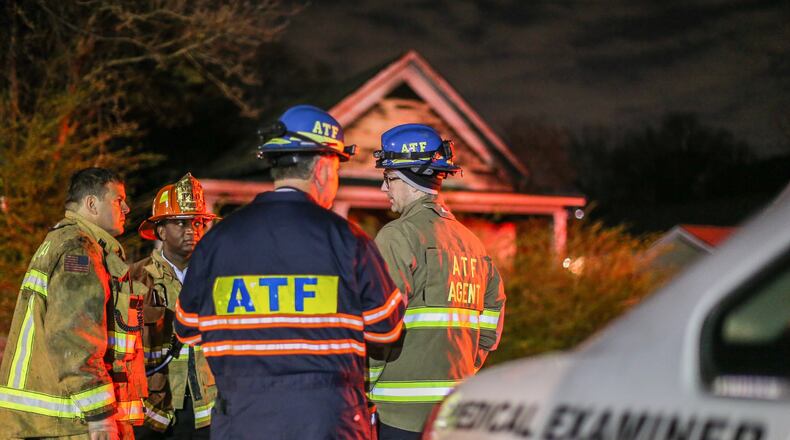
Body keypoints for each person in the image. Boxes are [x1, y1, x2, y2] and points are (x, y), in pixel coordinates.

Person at [174, 104, 406, 439]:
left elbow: (187, 329)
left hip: (241, 422)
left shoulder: (216, 242)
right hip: (327, 422)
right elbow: (386, 330)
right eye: (336, 170)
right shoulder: (347, 239)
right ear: (323, 169)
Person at [367, 124, 507, 439]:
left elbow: (378, 324)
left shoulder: (397, 236)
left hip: (398, 417)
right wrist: (464, 369)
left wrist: (363, 387)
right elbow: (492, 322)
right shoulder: (472, 243)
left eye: (388, 177)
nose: (383, 188)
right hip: (455, 414)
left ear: (409, 180)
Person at [0, 167, 147, 439]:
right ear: (92, 204)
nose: (126, 208)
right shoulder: (79, 249)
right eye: (118, 200)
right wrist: (100, 416)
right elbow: (74, 335)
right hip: (67, 423)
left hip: (46, 422)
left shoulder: (62, 242)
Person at [130, 173, 218, 439]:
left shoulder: (220, 276)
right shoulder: (135, 279)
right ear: (160, 231)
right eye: (181, 222)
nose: (192, 230)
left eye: (198, 222)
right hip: (153, 409)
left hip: (208, 409)